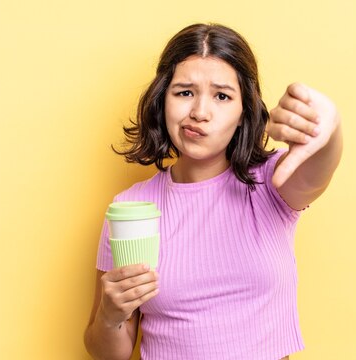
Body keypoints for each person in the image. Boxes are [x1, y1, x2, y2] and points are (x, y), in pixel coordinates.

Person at [84, 23, 342, 360]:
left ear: (243, 112)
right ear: (163, 100)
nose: (200, 113)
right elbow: (107, 353)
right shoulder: (131, 207)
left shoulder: (270, 183)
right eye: (184, 92)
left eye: (222, 96)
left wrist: (329, 127)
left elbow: (316, 171)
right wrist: (110, 315)